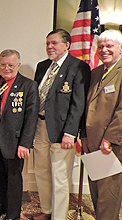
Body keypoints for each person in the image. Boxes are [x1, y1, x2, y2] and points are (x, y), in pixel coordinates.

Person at [33, 29, 90, 220]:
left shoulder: (78, 67)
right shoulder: (42, 67)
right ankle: (47, 210)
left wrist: (71, 132)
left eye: (54, 43)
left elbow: (78, 103)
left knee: (59, 177)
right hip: (40, 128)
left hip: (62, 131)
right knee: (41, 173)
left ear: (67, 45)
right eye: (48, 43)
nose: (50, 47)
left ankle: (59, 216)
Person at [0, 50, 39, 220]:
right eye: (3, 64)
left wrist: (25, 143)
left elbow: (31, 117)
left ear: (18, 65)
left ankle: (13, 215)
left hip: (15, 140)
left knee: (13, 178)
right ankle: (1, 207)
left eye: (11, 65)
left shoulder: (28, 85)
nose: (6, 68)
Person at [80, 29, 122, 220]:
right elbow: (87, 105)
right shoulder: (96, 72)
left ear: (120, 49)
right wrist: (84, 136)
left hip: (112, 145)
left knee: (108, 196)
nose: (104, 50)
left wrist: (110, 138)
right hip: (93, 142)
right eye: (101, 46)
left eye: (109, 46)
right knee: (96, 191)